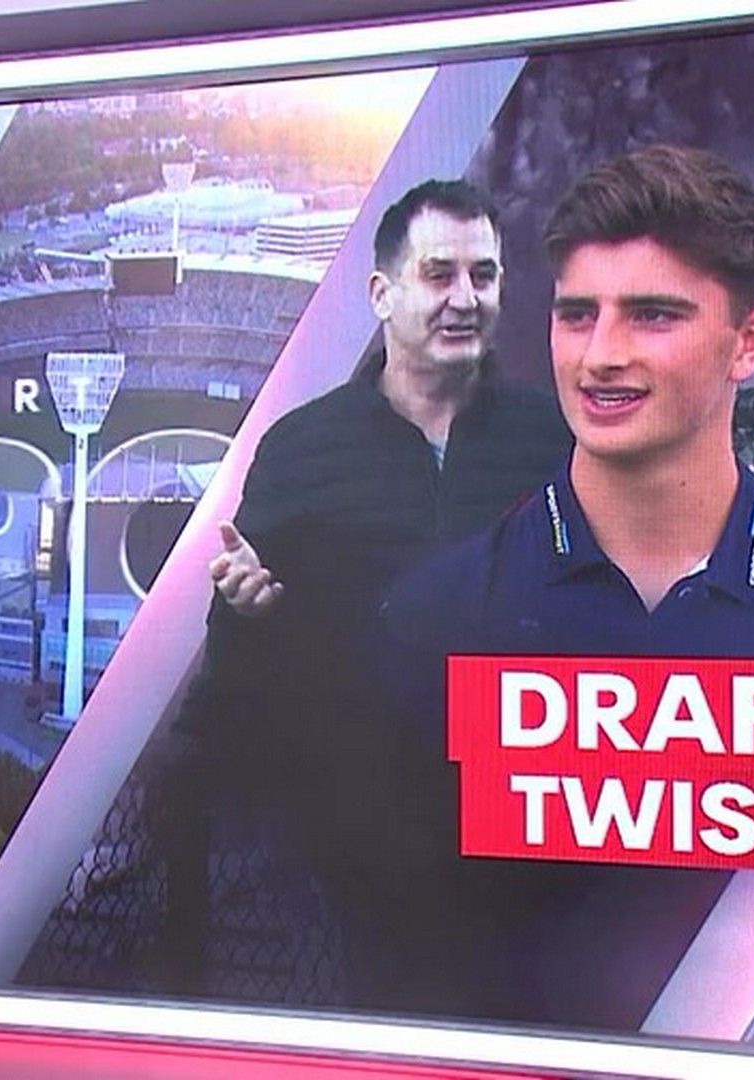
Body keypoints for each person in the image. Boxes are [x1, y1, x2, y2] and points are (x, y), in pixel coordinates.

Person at [377, 146, 754, 1029]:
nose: (601, 356)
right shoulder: (434, 620)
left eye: (652, 316)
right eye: (578, 315)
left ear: (749, 342)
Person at [183, 179, 569, 1009]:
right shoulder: (301, 447)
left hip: (523, 851)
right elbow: (235, 666)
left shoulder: (554, 439)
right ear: (381, 294)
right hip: (352, 855)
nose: (465, 298)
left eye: (484, 275)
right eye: (439, 274)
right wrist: (251, 611)